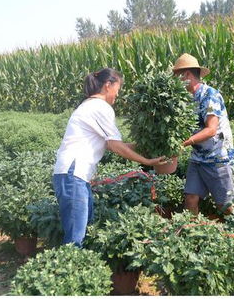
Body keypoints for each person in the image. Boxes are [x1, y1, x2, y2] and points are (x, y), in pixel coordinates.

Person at [52, 68, 166, 247]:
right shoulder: (100, 107)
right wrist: (147, 161)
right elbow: (115, 145)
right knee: (76, 237)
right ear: (107, 85)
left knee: (84, 227)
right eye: (117, 90)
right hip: (73, 173)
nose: (117, 95)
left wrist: (146, 146)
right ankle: (70, 270)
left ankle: (79, 269)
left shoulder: (89, 106)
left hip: (75, 175)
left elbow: (111, 144)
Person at [172, 53, 234, 216]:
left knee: (224, 205)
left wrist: (184, 143)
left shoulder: (210, 96)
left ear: (186, 75)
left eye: (176, 75)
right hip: (198, 157)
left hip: (217, 157)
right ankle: (193, 233)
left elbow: (211, 129)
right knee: (190, 198)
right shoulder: (186, 98)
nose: (174, 79)